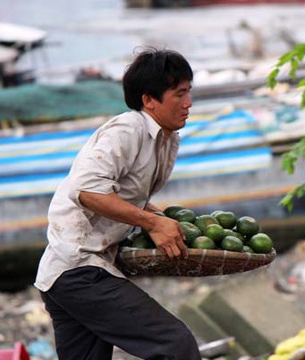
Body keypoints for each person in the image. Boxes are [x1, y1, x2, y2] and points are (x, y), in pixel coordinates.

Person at [34, 47, 201, 360]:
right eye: (179, 94)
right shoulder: (128, 130)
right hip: (79, 267)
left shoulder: (166, 139)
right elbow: (86, 191)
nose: (188, 103)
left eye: (189, 92)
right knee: (175, 345)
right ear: (149, 100)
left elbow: (126, 194)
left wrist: (160, 217)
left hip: (66, 275)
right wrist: (152, 222)